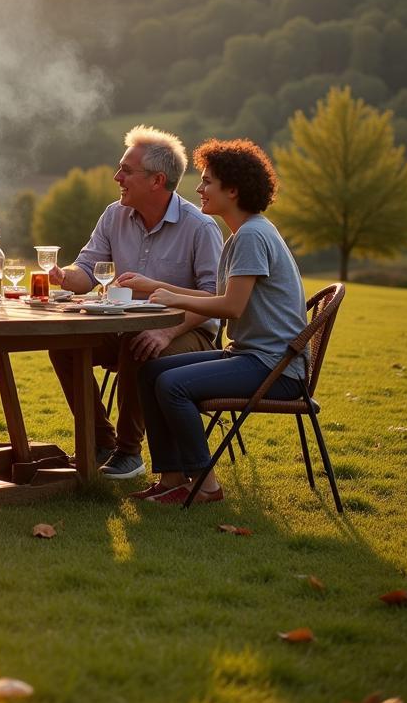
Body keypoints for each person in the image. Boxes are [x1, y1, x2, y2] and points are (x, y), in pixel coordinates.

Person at [128, 139, 308, 504]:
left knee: (173, 386)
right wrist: (157, 287)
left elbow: (232, 307)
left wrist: (173, 296)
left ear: (233, 189)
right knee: (150, 372)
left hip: (275, 368)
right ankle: (171, 479)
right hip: (252, 356)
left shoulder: (252, 236)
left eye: (207, 181)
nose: (199, 189)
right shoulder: (244, 233)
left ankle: (204, 485)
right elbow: (220, 299)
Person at [47, 126, 222, 480]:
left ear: (157, 180)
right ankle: (101, 442)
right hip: (120, 326)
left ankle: (129, 453)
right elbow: (87, 270)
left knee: (140, 345)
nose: (117, 177)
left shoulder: (200, 228)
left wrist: (167, 332)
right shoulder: (114, 215)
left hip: (189, 332)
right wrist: (64, 276)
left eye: (126, 171)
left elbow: (214, 300)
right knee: (63, 343)